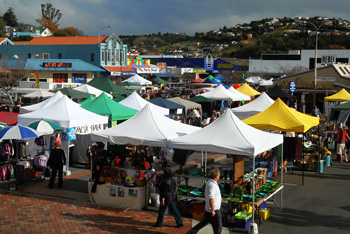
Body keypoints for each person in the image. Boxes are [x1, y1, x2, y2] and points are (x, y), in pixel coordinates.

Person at [187, 169, 222, 234]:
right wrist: (213, 210)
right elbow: (211, 198)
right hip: (214, 209)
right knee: (218, 227)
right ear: (216, 176)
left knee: (204, 222)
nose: (219, 176)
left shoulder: (209, 182)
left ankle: (191, 232)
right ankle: (191, 232)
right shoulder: (213, 185)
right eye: (219, 175)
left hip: (208, 208)